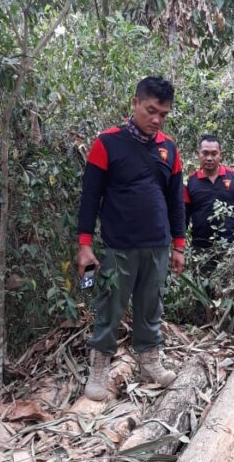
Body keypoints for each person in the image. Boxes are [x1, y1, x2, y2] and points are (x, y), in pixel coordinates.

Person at [76, 76, 185, 400]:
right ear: (135, 103)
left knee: (151, 305)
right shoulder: (107, 143)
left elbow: (176, 201)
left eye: (163, 114)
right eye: (151, 110)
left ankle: (149, 361)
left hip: (157, 245)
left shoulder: (169, 148)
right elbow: (90, 197)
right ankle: (99, 368)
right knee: (109, 306)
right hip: (118, 246)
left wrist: (178, 245)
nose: (156, 119)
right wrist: (84, 245)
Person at [184, 134, 234, 258]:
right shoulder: (190, 182)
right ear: (198, 154)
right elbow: (183, 218)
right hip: (200, 252)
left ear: (220, 154)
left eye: (214, 153)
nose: (209, 158)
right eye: (205, 153)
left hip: (231, 249)